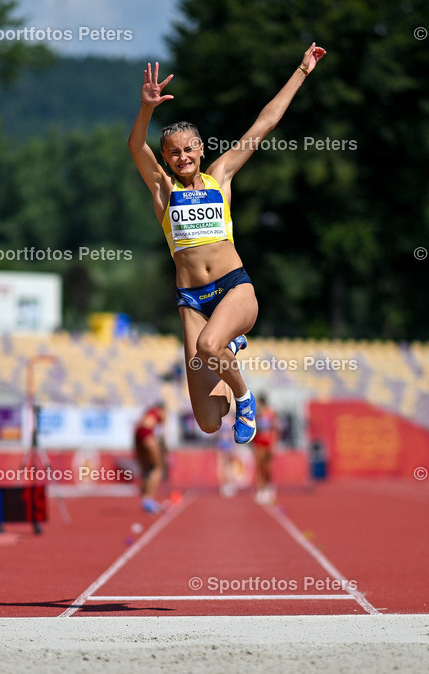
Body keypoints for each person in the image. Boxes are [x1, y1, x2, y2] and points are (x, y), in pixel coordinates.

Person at [128, 42, 327, 446]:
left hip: (234, 288)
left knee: (208, 345)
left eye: (189, 149)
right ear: (166, 159)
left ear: (201, 149)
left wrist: (302, 71)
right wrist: (147, 108)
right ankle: (229, 348)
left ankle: (246, 397)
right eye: (174, 153)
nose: (183, 157)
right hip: (193, 302)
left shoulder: (222, 176)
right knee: (207, 420)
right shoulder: (163, 190)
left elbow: (264, 123)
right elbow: (135, 147)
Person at [134, 402, 167, 513]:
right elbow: (162, 432)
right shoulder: (161, 412)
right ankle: (148, 499)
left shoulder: (148, 412)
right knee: (158, 468)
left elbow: (139, 425)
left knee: (145, 467)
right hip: (147, 433)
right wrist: (164, 447)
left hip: (137, 434)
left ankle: (145, 492)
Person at [252, 394, 278, 505]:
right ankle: (260, 490)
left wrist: (274, 443)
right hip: (258, 443)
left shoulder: (270, 413)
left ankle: (269, 486)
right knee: (259, 467)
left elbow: (274, 428)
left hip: (267, 443)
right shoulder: (256, 414)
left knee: (267, 467)